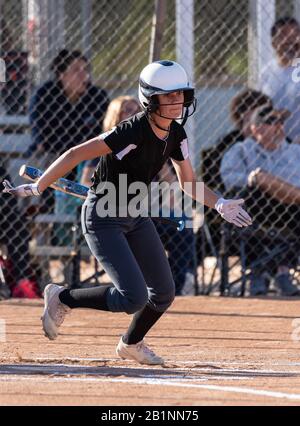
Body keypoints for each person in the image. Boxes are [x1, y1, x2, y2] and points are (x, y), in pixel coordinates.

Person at [3, 60, 252, 365]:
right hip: (102, 218)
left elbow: (188, 183)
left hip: (135, 216)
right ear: (150, 98)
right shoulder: (130, 130)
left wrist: (220, 203)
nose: (177, 102)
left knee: (163, 293)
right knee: (132, 297)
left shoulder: (176, 134)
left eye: (181, 95)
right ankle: (61, 297)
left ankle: (130, 343)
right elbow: (74, 154)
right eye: (168, 96)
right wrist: (39, 186)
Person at [221, 104, 300, 296]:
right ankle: (258, 271)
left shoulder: (294, 152)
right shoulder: (241, 150)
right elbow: (228, 178)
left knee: (265, 178)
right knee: (258, 180)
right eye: (272, 121)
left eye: (281, 121)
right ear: (255, 127)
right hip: (258, 208)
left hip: (292, 211)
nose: (279, 125)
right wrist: (256, 178)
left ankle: (281, 272)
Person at [26, 49, 109, 223]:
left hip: (87, 157)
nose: (83, 75)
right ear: (61, 74)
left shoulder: (97, 96)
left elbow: (104, 131)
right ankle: (39, 213)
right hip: (54, 153)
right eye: (76, 70)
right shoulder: (45, 94)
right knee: (44, 161)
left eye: (85, 69)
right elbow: (40, 136)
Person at [260, 17, 300, 143]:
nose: (291, 40)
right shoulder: (266, 72)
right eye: (283, 36)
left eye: (295, 35)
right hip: (275, 145)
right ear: (273, 43)